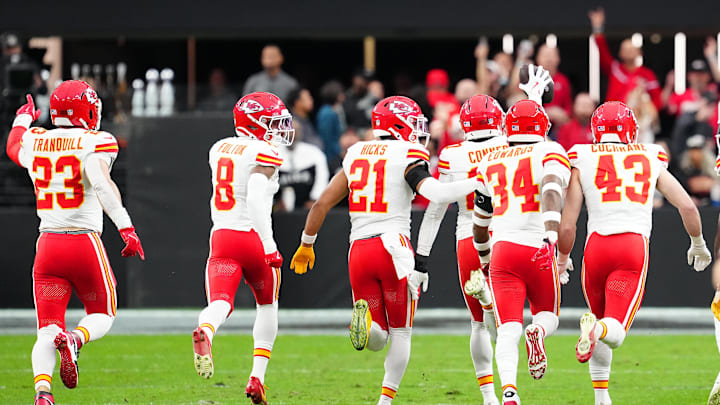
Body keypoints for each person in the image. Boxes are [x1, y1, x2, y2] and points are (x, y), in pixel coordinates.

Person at [290, 96, 482, 404]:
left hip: (359, 250)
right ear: (399, 124)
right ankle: (385, 400)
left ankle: (367, 323)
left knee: (378, 337)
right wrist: (477, 182)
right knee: (402, 332)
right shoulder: (408, 152)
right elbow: (434, 192)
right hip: (394, 248)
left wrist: (306, 243)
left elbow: (323, 202)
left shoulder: (356, 153)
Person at [557, 101, 712, 405]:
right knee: (612, 330)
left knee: (601, 323)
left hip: (596, 249)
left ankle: (602, 398)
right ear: (630, 129)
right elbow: (687, 206)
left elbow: (568, 223)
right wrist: (698, 243)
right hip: (630, 248)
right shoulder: (650, 155)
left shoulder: (583, 156)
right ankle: (595, 329)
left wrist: (562, 259)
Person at [5, 81, 144, 405]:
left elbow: (14, 147)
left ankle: (43, 393)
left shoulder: (36, 139)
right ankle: (76, 340)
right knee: (103, 313)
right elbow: (100, 183)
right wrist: (126, 228)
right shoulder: (95, 140)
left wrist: (23, 118)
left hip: (48, 246)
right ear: (88, 110)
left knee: (46, 329)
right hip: (82, 243)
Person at [470, 65, 570, 405]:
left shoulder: (490, 159)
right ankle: (538, 333)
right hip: (537, 244)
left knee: (506, 329)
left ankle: (509, 393)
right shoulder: (550, 150)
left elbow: (480, 221)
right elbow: (551, 188)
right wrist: (551, 234)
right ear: (543, 126)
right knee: (549, 315)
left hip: (502, 248)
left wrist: (484, 259)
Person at [191, 92, 293, 405]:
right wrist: (269, 244)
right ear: (255, 122)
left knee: (221, 301)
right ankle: (257, 377)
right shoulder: (264, 151)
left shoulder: (218, 147)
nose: (278, 129)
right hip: (252, 236)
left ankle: (206, 330)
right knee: (267, 305)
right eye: (272, 121)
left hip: (222, 236)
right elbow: (255, 195)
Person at [416, 94, 508, 405]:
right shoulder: (509, 145)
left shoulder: (452, 155)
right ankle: (511, 388)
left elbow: (435, 211)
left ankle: (489, 396)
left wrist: (421, 260)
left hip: (468, 235)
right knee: (511, 320)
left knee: (477, 323)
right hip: (506, 232)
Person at [588, 8, 663, 111]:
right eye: (626, 50)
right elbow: (602, 50)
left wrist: (648, 111)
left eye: (632, 50)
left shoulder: (647, 75)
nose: (629, 52)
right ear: (620, 53)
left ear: (639, 53)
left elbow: (658, 100)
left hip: (637, 121)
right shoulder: (615, 69)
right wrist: (597, 28)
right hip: (614, 118)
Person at [277, 119, 329, 211]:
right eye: (287, 131)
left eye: (294, 132)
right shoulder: (273, 152)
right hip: (280, 208)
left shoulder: (314, 152)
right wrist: (275, 201)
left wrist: (315, 199)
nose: (291, 136)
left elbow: (322, 177)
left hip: (308, 206)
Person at [535, 44, 572, 127]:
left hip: (558, 127)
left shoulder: (563, 81)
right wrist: (547, 112)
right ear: (538, 58)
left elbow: (569, 110)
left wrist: (563, 115)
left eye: (552, 56)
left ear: (558, 59)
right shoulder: (530, 79)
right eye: (545, 56)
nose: (549, 59)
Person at [316, 80, 346, 164]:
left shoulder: (333, 110)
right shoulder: (328, 113)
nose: (343, 96)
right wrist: (339, 152)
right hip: (330, 155)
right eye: (341, 93)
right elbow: (327, 137)